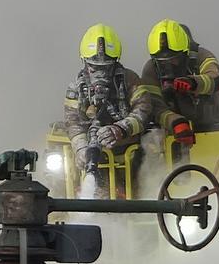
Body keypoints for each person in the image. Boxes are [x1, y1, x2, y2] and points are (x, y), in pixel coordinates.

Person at [64, 24, 163, 197]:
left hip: (131, 152)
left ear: (115, 63)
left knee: (156, 143)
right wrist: (81, 149)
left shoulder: (129, 80)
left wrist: (120, 129)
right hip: (96, 156)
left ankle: (155, 196)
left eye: (106, 68)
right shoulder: (76, 90)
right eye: (95, 68)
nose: (100, 74)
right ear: (85, 63)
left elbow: (144, 109)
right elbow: (73, 123)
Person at [142, 19, 219, 138]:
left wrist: (194, 83)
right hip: (176, 129)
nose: (169, 65)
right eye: (162, 62)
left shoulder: (202, 56)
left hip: (216, 122)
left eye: (174, 58)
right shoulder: (150, 69)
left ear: (185, 53)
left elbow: (216, 78)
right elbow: (155, 105)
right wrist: (175, 122)